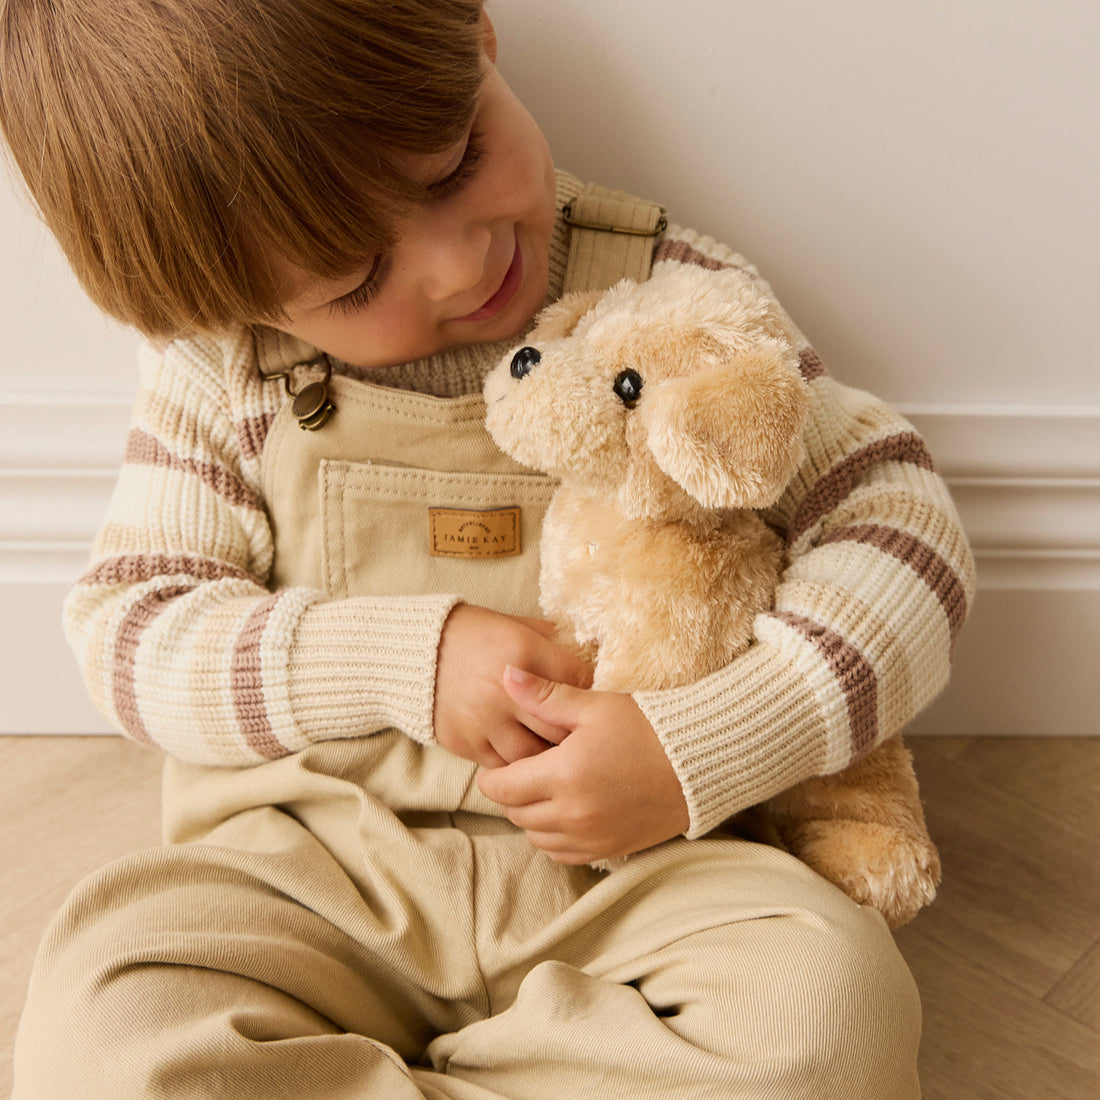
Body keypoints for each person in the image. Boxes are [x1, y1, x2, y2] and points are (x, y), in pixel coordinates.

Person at [2, 1, 974, 1096]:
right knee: (96, 1027)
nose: (459, 266)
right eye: (353, 283)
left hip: (649, 878)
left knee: (829, 1015)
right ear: (231, 297)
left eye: (456, 161)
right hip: (309, 871)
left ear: (479, 46)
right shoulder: (221, 370)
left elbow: (896, 520)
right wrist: (400, 656)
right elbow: (134, 632)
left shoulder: (671, 301)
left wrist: (698, 747)